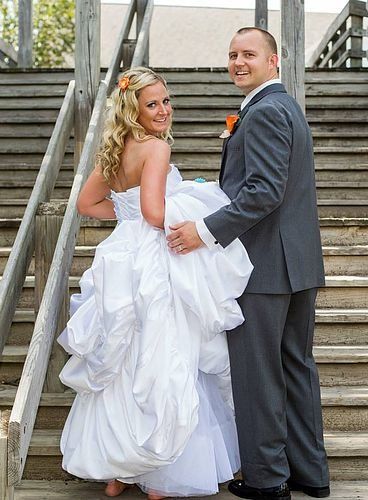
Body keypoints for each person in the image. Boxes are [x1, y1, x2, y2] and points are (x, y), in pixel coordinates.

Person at [57, 67, 253, 498]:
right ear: (134, 109)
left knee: (123, 358)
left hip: (120, 256)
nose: (163, 110)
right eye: (152, 104)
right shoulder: (156, 149)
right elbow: (152, 212)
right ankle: (160, 474)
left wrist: (124, 212)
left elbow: (89, 204)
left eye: (166, 101)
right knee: (164, 354)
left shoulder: (116, 148)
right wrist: (195, 215)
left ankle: (117, 471)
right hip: (154, 257)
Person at [167, 28, 330, 500]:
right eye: (233, 55)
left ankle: (266, 478)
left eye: (249, 55)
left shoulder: (262, 113)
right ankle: (310, 474)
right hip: (297, 263)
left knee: (257, 371)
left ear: (274, 61)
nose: (239, 62)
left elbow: (263, 191)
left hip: (263, 266)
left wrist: (203, 229)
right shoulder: (286, 108)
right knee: (296, 366)